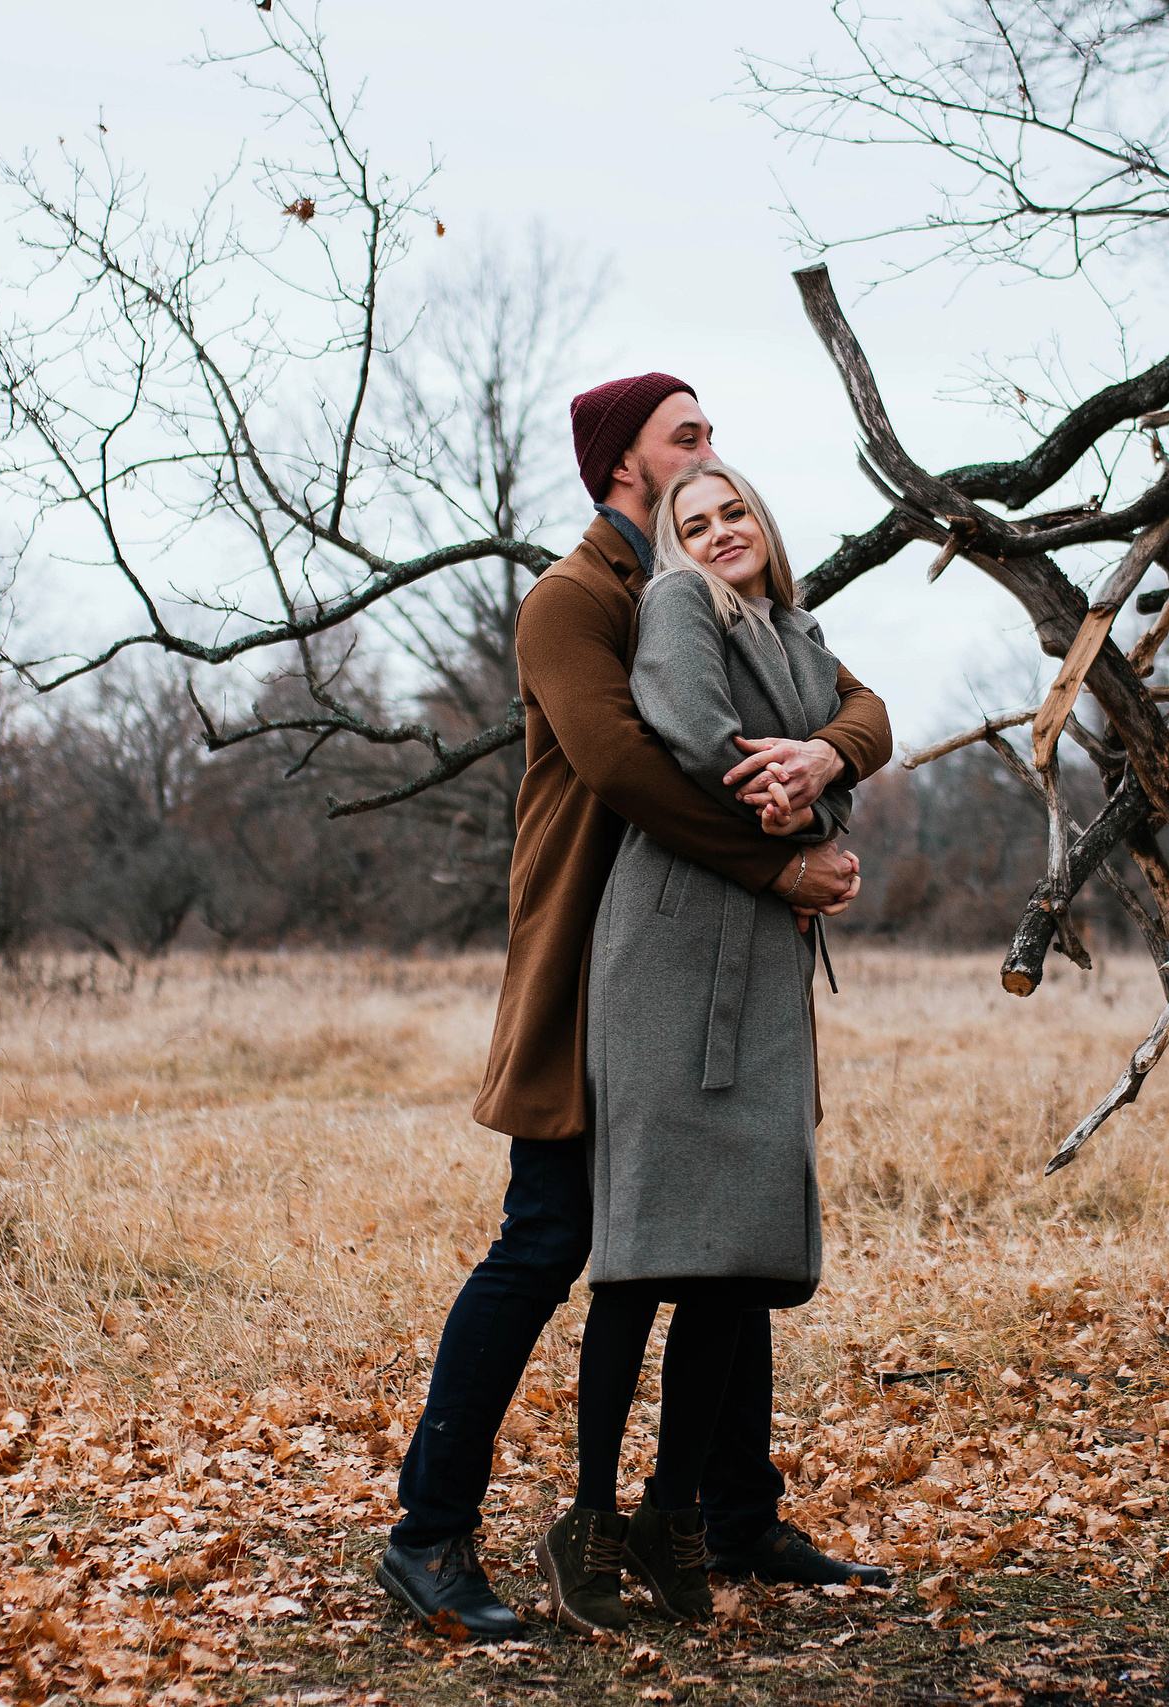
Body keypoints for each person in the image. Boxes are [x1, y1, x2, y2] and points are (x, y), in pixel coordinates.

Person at [375, 375, 893, 1639]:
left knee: (733, 1216)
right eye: (689, 439)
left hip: (710, 960)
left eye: (711, 435)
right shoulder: (574, 600)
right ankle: (428, 1534)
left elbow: (857, 703)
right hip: (589, 965)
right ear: (627, 467)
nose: (713, 459)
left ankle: (733, 1516)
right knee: (546, 1241)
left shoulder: (720, 586)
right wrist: (782, 859)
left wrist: (828, 756)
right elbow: (627, 770)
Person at [534, 460, 870, 1635]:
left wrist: (818, 783)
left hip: (763, 958)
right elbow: (684, 732)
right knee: (648, 1251)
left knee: (733, 1256)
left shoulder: (799, 628)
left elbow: (854, 735)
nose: (720, 529)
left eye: (735, 511)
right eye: (695, 519)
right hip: (671, 948)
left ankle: (675, 1515)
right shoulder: (678, 607)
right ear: (674, 542)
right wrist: (784, 805)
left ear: (766, 524)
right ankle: (585, 1521)